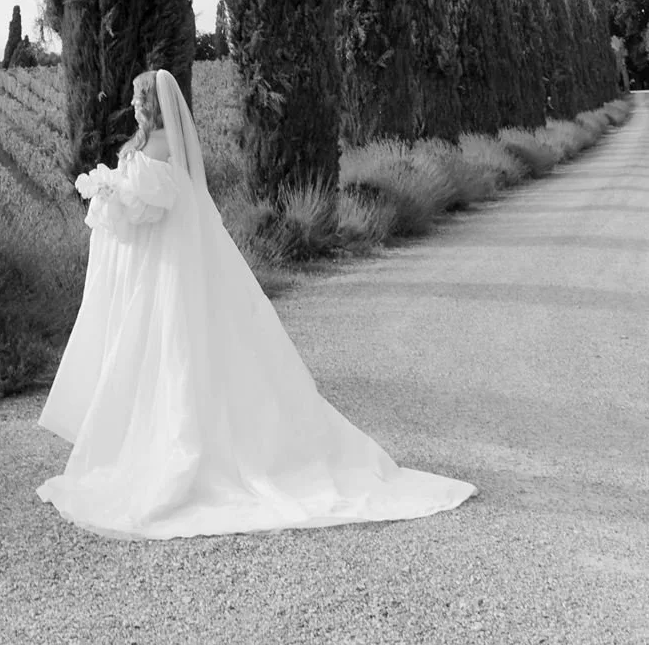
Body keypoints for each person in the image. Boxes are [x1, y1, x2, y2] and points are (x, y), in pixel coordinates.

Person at [37, 67, 476, 539]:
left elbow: (153, 203)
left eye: (138, 96)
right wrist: (110, 194)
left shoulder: (160, 145)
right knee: (164, 354)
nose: (134, 102)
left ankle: (179, 452)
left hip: (166, 271)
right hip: (157, 268)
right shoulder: (146, 146)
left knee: (174, 355)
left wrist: (114, 193)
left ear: (151, 103)